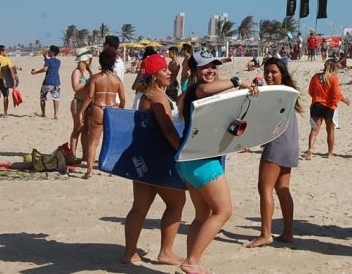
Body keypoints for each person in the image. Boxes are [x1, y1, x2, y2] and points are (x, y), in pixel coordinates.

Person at [177, 51, 258, 274]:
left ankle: (190, 262)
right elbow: (207, 89)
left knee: (202, 215)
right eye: (205, 67)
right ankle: (192, 262)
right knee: (224, 211)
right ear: (193, 71)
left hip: (188, 159)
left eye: (214, 66)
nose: (211, 70)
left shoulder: (195, 93)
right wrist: (237, 81)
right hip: (201, 159)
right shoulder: (197, 89)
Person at [123, 54, 186, 265]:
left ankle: (130, 253)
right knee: (176, 202)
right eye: (164, 70)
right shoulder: (157, 97)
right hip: (158, 157)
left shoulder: (145, 95)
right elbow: (168, 131)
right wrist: (182, 150)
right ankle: (166, 252)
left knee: (140, 206)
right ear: (154, 75)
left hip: (142, 157)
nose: (169, 72)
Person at [246, 57, 303, 248]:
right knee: (282, 189)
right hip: (291, 143)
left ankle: (265, 234)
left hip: (278, 143)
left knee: (265, 188)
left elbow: (261, 117)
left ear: (282, 74)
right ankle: (288, 233)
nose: (269, 75)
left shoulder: (277, 92)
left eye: (273, 72)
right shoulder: (290, 92)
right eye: (266, 72)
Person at [79, 49, 126, 179]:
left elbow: (89, 96)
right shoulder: (116, 79)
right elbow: (122, 99)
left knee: (93, 141)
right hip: (111, 109)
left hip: (98, 108)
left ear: (101, 62)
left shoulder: (96, 78)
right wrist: (120, 109)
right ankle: (111, 168)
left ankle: (89, 170)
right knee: (110, 141)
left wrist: (82, 111)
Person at [305, 59, 350, 159]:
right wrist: (344, 100)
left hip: (316, 105)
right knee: (330, 130)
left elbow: (310, 91)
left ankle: (310, 149)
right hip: (329, 107)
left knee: (314, 130)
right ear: (334, 68)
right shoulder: (333, 78)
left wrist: (317, 97)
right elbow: (336, 94)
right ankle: (330, 153)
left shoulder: (316, 77)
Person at [69, 48, 92, 162]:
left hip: (88, 103)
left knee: (86, 130)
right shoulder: (77, 72)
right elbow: (75, 87)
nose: (90, 59)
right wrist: (88, 82)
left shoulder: (88, 71)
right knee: (77, 128)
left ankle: (85, 154)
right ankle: (72, 154)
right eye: (88, 58)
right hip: (78, 102)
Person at [31, 45, 61, 119]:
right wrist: (46, 59)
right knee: (56, 99)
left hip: (47, 82)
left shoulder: (48, 61)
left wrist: (36, 72)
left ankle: (43, 113)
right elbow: (52, 63)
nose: (48, 52)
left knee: (43, 98)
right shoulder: (58, 62)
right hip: (56, 83)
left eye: (49, 51)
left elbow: (45, 69)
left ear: (52, 53)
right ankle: (55, 114)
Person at [0, 45, 16, 119]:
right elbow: (11, 70)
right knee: (5, 96)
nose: (6, 51)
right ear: (1, 51)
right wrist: (13, 80)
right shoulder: (6, 59)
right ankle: (5, 113)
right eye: (5, 50)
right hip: (4, 80)